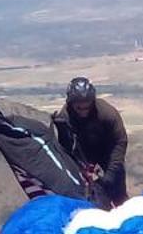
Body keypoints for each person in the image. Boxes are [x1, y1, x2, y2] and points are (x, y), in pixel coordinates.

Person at [52, 77, 129, 206]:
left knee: (118, 192)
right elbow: (65, 149)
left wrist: (110, 175)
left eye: (87, 106)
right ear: (71, 103)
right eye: (79, 107)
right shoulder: (64, 118)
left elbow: (120, 142)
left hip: (108, 152)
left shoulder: (107, 113)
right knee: (86, 195)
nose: (83, 110)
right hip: (83, 154)